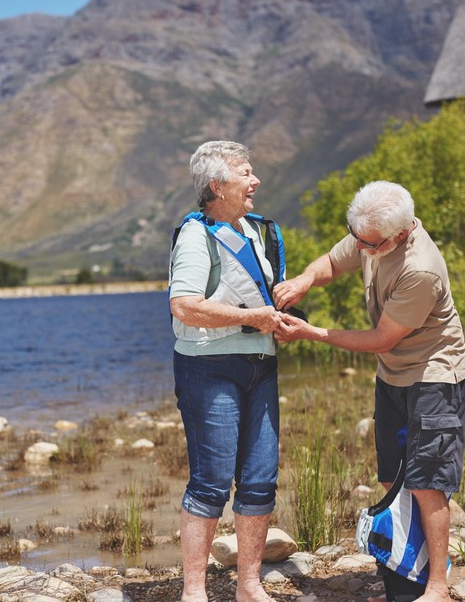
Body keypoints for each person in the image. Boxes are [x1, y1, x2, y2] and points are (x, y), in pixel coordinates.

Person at [273, 180, 465, 602]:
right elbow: (331, 261)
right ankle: (407, 572)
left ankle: (438, 586)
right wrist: (305, 280)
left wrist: (312, 333)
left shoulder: (420, 269)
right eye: (356, 237)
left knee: (427, 481)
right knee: (390, 477)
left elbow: (381, 339)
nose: (360, 248)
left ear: (399, 234)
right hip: (393, 376)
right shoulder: (370, 232)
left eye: (369, 243)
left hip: (433, 374)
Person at [169, 140, 294, 602]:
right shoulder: (195, 236)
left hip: (260, 365)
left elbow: (259, 297)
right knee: (210, 481)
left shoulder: (257, 232)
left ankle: (249, 586)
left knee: (260, 478)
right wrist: (253, 318)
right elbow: (184, 306)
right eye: (246, 172)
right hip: (208, 369)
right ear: (217, 186)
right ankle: (195, 592)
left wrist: (278, 319)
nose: (255, 180)